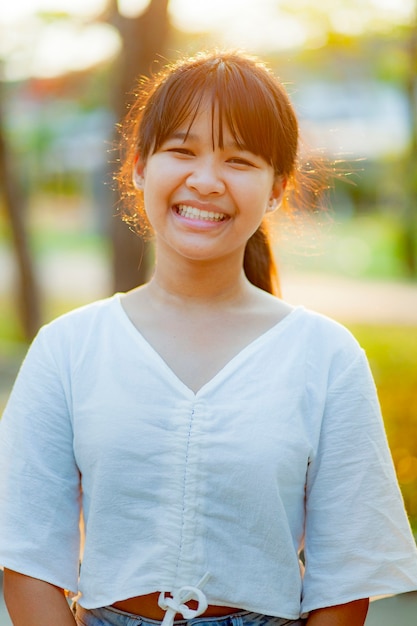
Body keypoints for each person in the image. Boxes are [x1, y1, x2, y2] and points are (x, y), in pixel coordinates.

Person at [0, 50, 417, 626]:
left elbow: (345, 575)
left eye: (240, 159)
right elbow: (25, 557)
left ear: (277, 186)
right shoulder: (68, 348)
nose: (206, 180)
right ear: (140, 166)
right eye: (182, 151)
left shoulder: (326, 355)